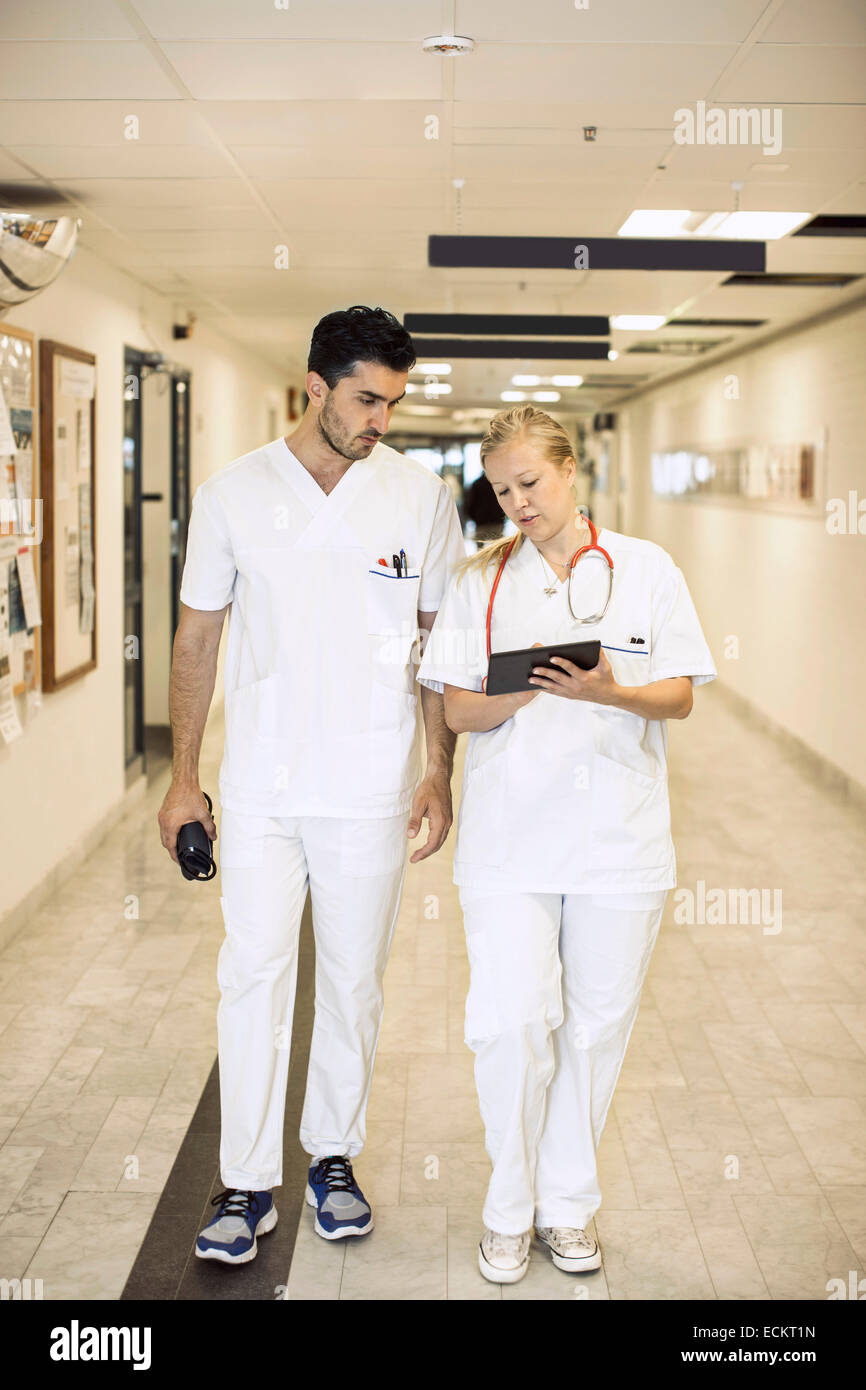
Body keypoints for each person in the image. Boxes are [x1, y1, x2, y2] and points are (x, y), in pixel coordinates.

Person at [158, 306, 465, 1264]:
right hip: (259, 787)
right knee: (250, 977)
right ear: (315, 388)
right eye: (367, 398)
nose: (382, 418)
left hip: (370, 785)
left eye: (395, 401)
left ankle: (332, 1157)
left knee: (353, 983)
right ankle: (245, 1183)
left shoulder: (421, 497)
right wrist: (182, 784)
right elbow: (197, 638)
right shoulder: (234, 494)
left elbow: (435, 649)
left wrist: (438, 769)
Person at [417, 405, 716, 1284]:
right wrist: (529, 688)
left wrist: (610, 693)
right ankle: (508, 1211)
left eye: (531, 484)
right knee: (510, 1026)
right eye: (503, 489)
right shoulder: (482, 580)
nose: (517, 502)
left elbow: (681, 697)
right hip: (510, 844)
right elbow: (454, 707)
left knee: (595, 1030)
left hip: (619, 843)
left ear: (570, 470)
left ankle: (569, 1208)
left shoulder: (647, 570)